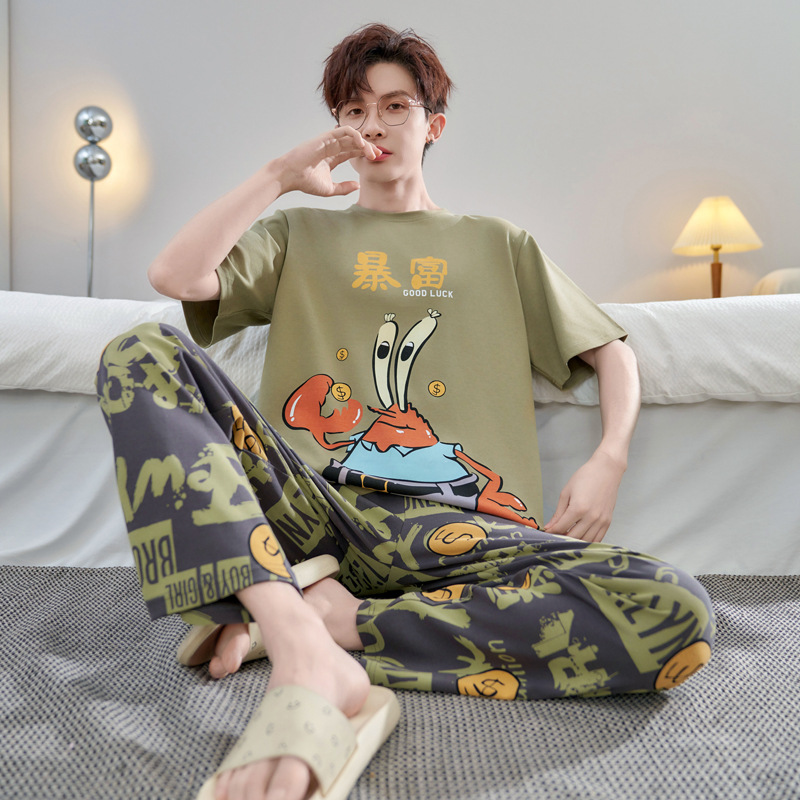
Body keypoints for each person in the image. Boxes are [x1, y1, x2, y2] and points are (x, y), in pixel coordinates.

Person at [97, 23, 714, 800]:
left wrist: (609, 457)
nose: (375, 126)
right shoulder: (297, 232)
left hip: (462, 534)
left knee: (676, 610)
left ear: (434, 125)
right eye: (354, 111)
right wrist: (281, 175)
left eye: (396, 106)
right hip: (311, 510)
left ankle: (332, 622)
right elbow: (175, 275)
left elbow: (611, 351)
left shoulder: (498, 243)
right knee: (137, 354)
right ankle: (295, 638)